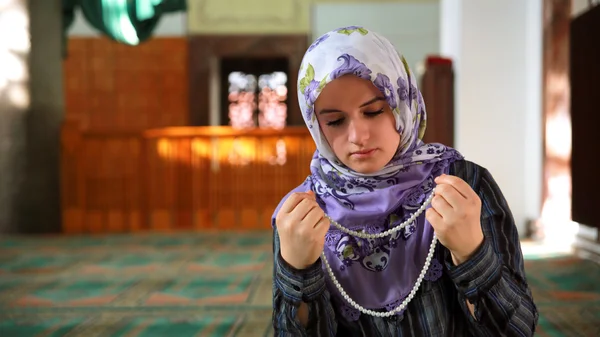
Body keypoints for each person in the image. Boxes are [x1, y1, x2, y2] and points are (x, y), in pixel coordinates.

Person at [271, 26, 538, 337]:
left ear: (402, 102)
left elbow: (518, 330)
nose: (358, 136)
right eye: (335, 121)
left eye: (373, 111)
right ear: (316, 125)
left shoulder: (463, 184)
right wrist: (298, 270)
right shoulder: (301, 213)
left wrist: (472, 253)